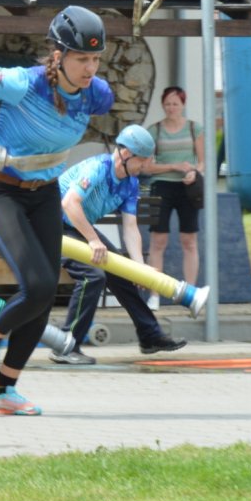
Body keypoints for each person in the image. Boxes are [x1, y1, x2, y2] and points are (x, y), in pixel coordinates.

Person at [0, 4, 114, 416]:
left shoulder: (98, 95)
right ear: (58, 55)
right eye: (81, 59)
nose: (90, 68)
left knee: (43, 297)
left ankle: (4, 392)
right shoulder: (22, 83)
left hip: (45, 194)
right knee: (36, 286)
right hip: (2, 192)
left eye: (95, 59)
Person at [50, 124, 187, 365]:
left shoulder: (130, 183)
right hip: (52, 224)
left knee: (124, 273)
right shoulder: (97, 168)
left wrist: (139, 268)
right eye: (142, 160)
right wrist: (93, 239)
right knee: (92, 276)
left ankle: (150, 336)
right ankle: (66, 345)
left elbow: (131, 227)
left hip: (76, 226)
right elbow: (70, 203)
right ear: (125, 154)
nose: (146, 166)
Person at [142, 86, 203, 308]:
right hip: (162, 187)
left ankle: (191, 293)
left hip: (188, 188)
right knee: (158, 241)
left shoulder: (195, 128)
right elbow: (147, 167)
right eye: (167, 103)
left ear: (183, 105)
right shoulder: (154, 130)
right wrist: (174, 166)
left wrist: (194, 172)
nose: (171, 108)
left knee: (189, 240)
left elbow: (203, 161)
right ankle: (155, 295)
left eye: (175, 103)